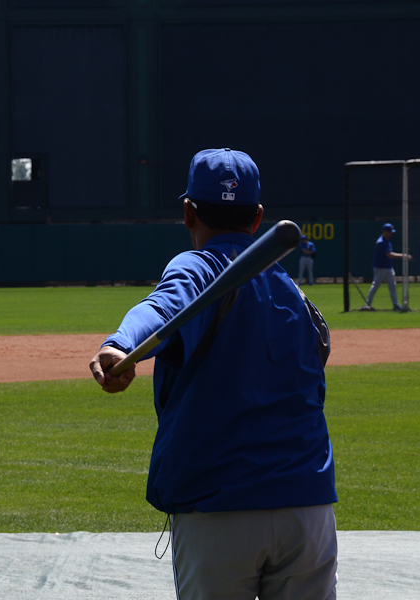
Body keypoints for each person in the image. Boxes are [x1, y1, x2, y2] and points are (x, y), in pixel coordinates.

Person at [89, 148, 337, 600]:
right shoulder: (294, 292)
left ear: (187, 212)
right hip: (309, 504)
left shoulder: (197, 265)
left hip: (220, 504)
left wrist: (119, 344)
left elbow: (162, 308)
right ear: (258, 217)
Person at [365, 223, 411, 311]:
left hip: (388, 267)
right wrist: (403, 255)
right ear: (384, 231)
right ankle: (368, 304)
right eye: (389, 232)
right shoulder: (381, 242)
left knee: (393, 286)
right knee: (375, 286)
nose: (391, 233)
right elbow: (389, 254)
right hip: (380, 267)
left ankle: (396, 305)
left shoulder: (387, 240)